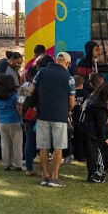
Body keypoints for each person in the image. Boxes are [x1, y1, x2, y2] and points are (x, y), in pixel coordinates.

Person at [33, 52, 75, 188]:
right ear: (67, 63)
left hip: (42, 115)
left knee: (43, 146)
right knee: (58, 147)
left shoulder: (41, 72)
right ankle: (55, 177)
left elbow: (30, 90)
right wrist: (67, 109)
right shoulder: (69, 78)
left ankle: (45, 176)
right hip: (60, 116)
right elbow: (72, 103)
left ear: (56, 60)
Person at [77, 82, 108, 183]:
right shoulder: (101, 107)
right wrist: (104, 138)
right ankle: (96, 175)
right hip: (92, 132)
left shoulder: (92, 98)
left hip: (84, 128)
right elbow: (100, 125)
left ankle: (92, 175)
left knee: (91, 153)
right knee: (97, 154)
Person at [0, 73, 23, 171]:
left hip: (2, 123)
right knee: (17, 144)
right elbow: (19, 108)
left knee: (5, 144)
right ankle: (18, 164)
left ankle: (6, 164)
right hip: (14, 122)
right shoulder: (14, 96)